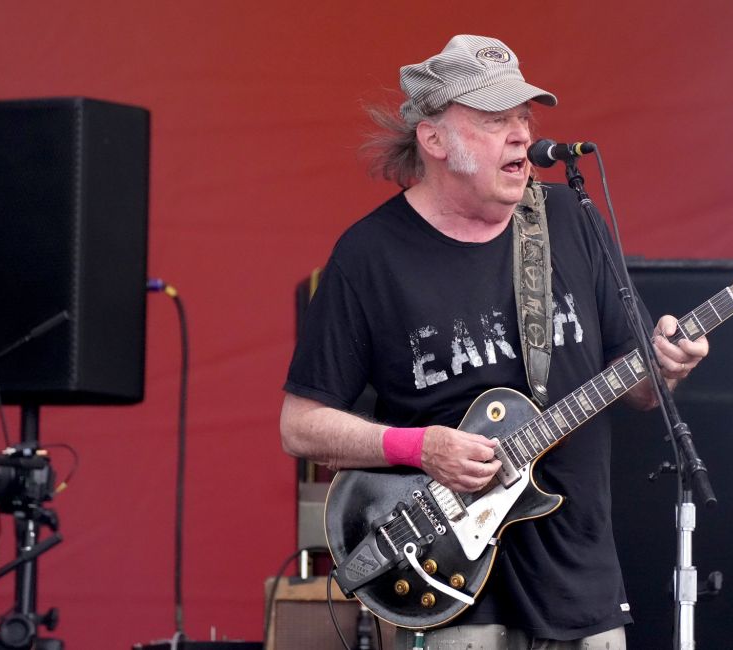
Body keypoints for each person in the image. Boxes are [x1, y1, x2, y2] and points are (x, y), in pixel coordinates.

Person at [280, 34, 709, 650]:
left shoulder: (568, 219)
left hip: (580, 577)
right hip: (448, 581)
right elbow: (300, 427)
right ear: (433, 139)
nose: (521, 135)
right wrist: (421, 447)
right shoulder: (370, 256)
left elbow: (639, 388)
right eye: (493, 120)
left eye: (524, 117)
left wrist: (669, 366)